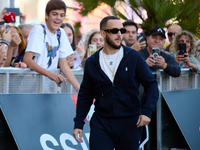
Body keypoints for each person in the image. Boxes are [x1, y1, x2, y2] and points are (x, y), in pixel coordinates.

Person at [73, 16, 159, 150]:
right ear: (103, 33)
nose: (119, 34)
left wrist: (147, 111)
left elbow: (152, 84)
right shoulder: (92, 62)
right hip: (102, 122)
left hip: (130, 122)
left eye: (121, 30)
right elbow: (85, 94)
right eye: (114, 30)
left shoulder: (133, 57)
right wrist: (78, 123)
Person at [23, 0, 80, 90]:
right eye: (55, 14)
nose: (58, 18)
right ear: (46, 15)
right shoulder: (39, 30)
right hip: (31, 87)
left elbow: (64, 65)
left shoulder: (61, 33)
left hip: (49, 87)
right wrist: (50, 74)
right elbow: (27, 59)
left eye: (62, 15)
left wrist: (78, 88)